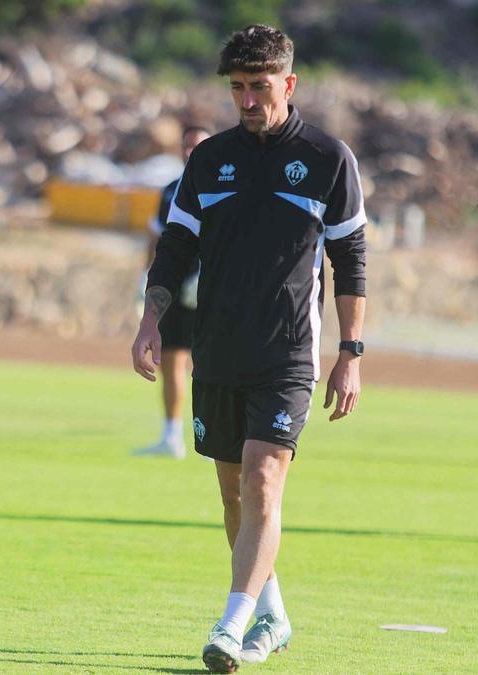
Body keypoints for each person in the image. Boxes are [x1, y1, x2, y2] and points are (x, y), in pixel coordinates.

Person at [131, 25, 367, 672]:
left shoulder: (327, 158)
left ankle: (231, 624)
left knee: (264, 480)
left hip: (288, 353)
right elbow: (175, 248)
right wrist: (151, 320)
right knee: (234, 494)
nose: (248, 100)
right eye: (237, 88)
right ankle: (273, 614)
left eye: (260, 87)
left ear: (289, 84)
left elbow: (351, 260)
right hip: (217, 348)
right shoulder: (208, 161)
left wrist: (351, 351)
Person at [132, 124, 211, 459]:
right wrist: (144, 277)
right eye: (187, 146)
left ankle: (213, 435)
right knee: (171, 359)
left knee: (210, 365)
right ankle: (171, 435)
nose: (191, 152)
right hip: (175, 288)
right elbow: (157, 238)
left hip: (209, 290)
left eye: (199, 146)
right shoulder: (169, 191)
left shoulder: (221, 188)